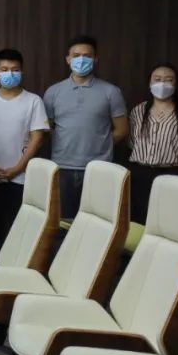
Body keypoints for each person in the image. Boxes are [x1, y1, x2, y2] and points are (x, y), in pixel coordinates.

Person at [43, 35, 128, 221]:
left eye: (87, 56)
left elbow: (122, 129)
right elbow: (46, 129)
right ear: (68, 59)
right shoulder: (53, 92)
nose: (81, 60)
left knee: (96, 223)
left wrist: (99, 144)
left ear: (96, 59)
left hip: (99, 169)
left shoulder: (111, 92)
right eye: (76, 55)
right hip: (62, 168)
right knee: (62, 223)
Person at [0, 49, 50, 260]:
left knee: (18, 234)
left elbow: (37, 138)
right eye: (4, 69)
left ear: (22, 72)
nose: (9, 73)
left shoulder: (33, 101)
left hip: (20, 179)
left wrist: (18, 168)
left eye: (15, 69)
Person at [127, 63, 178, 224]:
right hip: (140, 175)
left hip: (172, 175)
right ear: (150, 83)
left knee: (166, 221)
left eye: (169, 80)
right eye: (157, 79)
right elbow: (132, 142)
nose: (162, 84)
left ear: (176, 84)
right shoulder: (138, 111)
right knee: (137, 221)